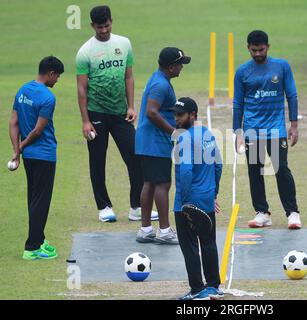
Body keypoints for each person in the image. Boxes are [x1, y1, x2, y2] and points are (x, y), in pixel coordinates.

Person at [76, 5, 142, 222]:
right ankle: (104, 207)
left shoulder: (124, 44)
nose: (103, 30)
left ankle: (136, 207)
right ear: (92, 25)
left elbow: (128, 77)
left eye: (106, 25)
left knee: (135, 157)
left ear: (111, 21)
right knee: (97, 160)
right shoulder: (85, 51)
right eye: (99, 27)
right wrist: (86, 121)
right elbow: (82, 88)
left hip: (120, 112)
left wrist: (131, 106)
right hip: (96, 113)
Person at [233, 30, 301, 229]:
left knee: (282, 170)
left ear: (268, 47)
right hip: (252, 130)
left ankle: (293, 213)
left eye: (261, 50)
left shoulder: (281, 66)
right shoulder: (242, 72)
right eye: (253, 50)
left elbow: (292, 95)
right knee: (255, 171)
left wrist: (294, 125)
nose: (257, 54)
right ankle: (262, 212)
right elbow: (238, 103)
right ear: (248, 48)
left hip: (276, 130)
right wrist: (237, 132)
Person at [9, 56, 64, 260]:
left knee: (33, 198)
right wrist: (20, 147)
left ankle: (39, 239)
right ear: (50, 73)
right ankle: (32, 248)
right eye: (57, 76)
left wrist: (17, 150)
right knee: (41, 201)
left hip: (30, 158)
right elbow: (38, 131)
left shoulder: (23, 90)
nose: (57, 80)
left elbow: (13, 122)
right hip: (44, 155)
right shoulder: (47, 98)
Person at [135, 47, 190, 245]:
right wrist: (172, 131)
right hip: (155, 142)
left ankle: (146, 229)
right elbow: (152, 112)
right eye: (180, 64)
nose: (181, 68)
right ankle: (164, 230)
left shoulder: (159, 79)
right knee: (162, 184)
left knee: (150, 183)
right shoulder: (160, 85)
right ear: (170, 67)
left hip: (147, 141)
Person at [172, 97, 223, 300]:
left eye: (180, 114)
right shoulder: (207, 134)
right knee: (208, 242)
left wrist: (184, 202)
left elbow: (185, 173)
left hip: (187, 200)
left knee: (190, 246)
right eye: (175, 114)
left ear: (193, 115)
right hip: (206, 198)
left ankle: (197, 289)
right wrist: (213, 193)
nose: (176, 118)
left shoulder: (184, 138)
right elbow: (218, 166)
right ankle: (213, 286)